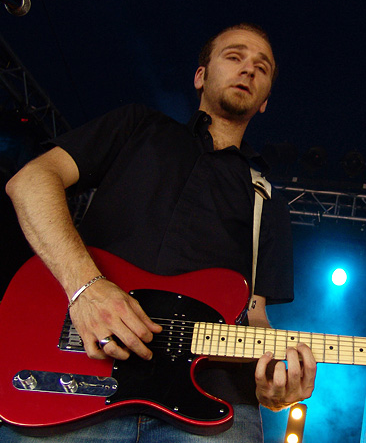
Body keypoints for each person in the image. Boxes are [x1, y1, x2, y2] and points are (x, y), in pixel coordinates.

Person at [1, 23, 317, 442]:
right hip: (79, 378)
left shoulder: (268, 198)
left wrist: (277, 384)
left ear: (264, 103)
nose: (249, 71)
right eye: (234, 57)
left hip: (216, 403)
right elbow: (30, 182)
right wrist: (86, 289)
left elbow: (254, 315)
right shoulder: (137, 127)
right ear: (200, 76)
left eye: (262, 67)